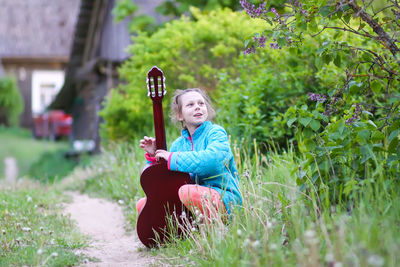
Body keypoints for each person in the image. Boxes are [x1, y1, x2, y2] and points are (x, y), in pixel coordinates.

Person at [137, 88, 241, 219]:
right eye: (190, 105)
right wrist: (155, 157)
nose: (197, 107)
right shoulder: (178, 145)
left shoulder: (216, 133)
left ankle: (215, 231)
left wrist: (172, 158)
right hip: (191, 200)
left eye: (201, 103)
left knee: (187, 192)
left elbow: (212, 161)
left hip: (223, 196)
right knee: (144, 205)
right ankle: (182, 231)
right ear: (180, 115)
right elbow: (166, 179)